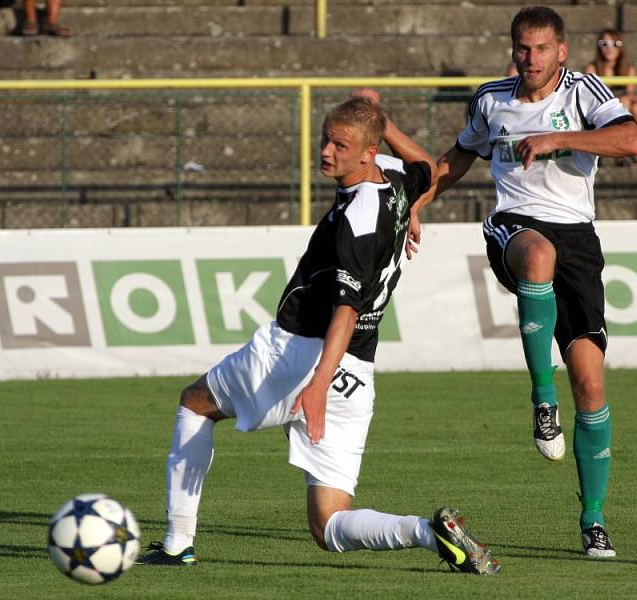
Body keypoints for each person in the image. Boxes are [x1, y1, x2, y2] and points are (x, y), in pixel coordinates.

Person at [137, 93, 500, 575]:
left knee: (194, 403)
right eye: (326, 138)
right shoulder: (393, 179)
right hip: (358, 374)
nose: (327, 150)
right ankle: (424, 531)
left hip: (299, 352)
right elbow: (429, 170)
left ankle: (178, 542)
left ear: (367, 152)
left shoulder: (356, 220)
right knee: (329, 524)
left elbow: (345, 311)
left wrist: (315, 384)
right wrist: (382, 123)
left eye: (341, 144)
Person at [412, 6, 637, 558]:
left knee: (591, 389)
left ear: (561, 51)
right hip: (516, 227)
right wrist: (415, 206)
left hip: (580, 242)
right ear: (512, 48)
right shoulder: (492, 98)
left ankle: (593, 521)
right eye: (522, 48)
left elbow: (631, 139)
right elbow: (458, 156)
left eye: (542, 49)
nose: (531, 58)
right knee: (536, 253)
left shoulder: (585, 89)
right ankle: (542, 399)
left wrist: (560, 140)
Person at [584, 29, 637, 166]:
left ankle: (631, 151)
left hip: (622, 105)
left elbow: (630, 93)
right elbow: (590, 96)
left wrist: (631, 98)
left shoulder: (628, 69)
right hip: (598, 108)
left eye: (615, 44)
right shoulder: (591, 68)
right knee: (625, 102)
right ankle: (613, 148)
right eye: (604, 44)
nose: (609, 48)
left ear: (621, 47)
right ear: (598, 47)